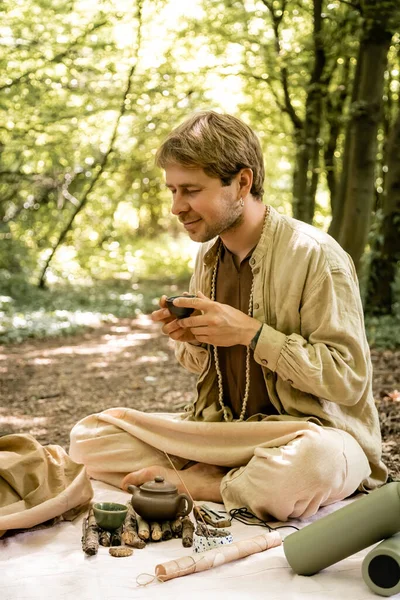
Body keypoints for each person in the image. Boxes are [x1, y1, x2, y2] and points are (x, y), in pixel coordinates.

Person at [69, 111, 387, 522]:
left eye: (190, 190)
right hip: (224, 432)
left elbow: (348, 380)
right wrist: (193, 339)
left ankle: (206, 484)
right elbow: (207, 370)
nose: (176, 207)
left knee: (313, 464)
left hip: (305, 436)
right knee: (89, 438)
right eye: (172, 190)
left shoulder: (316, 255)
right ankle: (231, 474)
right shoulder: (208, 254)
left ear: (242, 181)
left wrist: (253, 334)